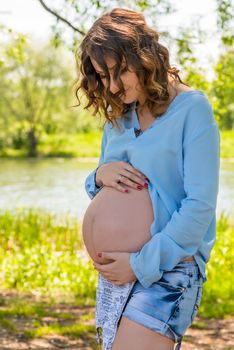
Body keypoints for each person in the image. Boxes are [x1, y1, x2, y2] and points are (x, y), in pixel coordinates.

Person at [75, 8, 220, 350]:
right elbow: (103, 189)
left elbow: (199, 207)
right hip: (116, 275)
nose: (110, 85)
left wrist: (140, 265)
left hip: (168, 270)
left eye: (118, 72)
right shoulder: (119, 117)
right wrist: (97, 176)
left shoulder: (192, 110)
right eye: (101, 75)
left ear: (144, 57)